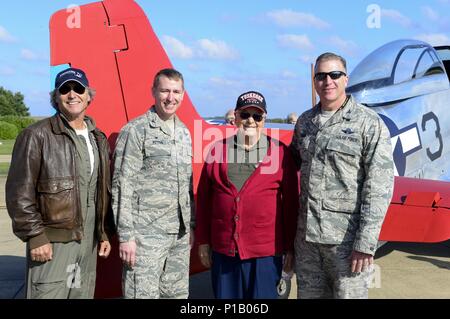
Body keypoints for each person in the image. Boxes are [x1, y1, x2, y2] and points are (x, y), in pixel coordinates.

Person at [290, 52, 394, 299]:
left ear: (346, 79)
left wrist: (365, 244)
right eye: (321, 76)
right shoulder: (305, 122)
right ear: (314, 82)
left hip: (346, 246)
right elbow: (289, 168)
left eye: (335, 74)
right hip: (308, 246)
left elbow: (379, 186)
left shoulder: (369, 124)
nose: (328, 81)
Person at [6, 67, 113, 299]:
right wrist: (35, 236)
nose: (72, 94)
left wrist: (103, 233)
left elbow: (99, 191)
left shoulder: (98, 138)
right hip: (52, 243)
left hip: (88, 242)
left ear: (88, 95)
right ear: (56, 97)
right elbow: (18, 192)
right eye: (65, 89)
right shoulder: (36, 135)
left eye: (78, 88)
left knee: (81, 295)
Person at [196, 90, 299, 299]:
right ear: (235, 117)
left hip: (265, 254)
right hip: (225, 251)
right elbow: (205, 201)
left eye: (257, 116)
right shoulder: (217, 151)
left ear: (264, 120)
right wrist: (203, 242)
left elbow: (290, 205)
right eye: (245, 115)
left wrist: (290, 248)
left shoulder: (280, 153)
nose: (250, 120)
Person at [112, 68, 194, 299]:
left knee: (176, 295)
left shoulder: (184, 133)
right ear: (153, 92)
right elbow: (122, 185)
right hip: (145, 235)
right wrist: (126, 236)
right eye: (165, 90)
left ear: (183, 94)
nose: (170, 97)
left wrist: (191, 226)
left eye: (176, 91)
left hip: (178, 234)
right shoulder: (136, 131)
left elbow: (187, 186)